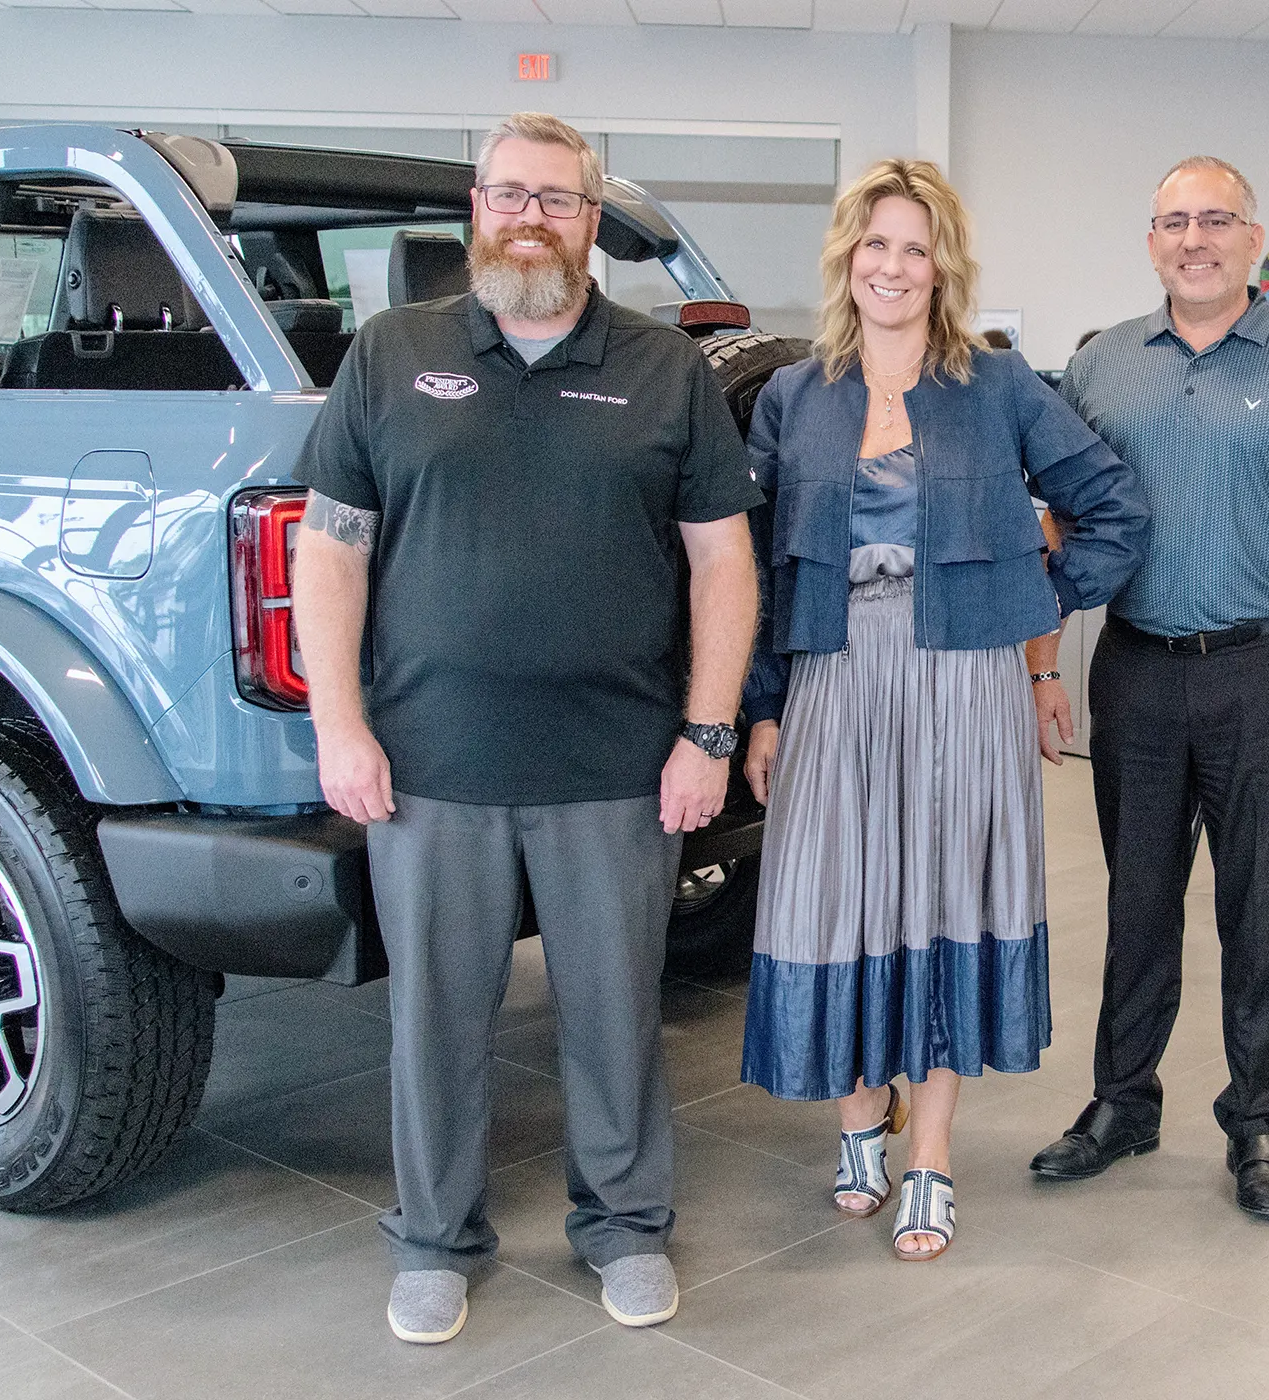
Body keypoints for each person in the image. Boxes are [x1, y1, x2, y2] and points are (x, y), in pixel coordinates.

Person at [292, 111, 765, 1343]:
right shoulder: (392, 355)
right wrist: (339, 724)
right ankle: (434, 1239)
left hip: (616, 764)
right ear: (475, 209)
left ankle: (622, 1223)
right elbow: (330, 554)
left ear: (591, 219)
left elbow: (724, 566)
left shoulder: (663, 369)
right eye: (511, 195)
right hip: (429, 765)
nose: (532, 218)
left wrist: (706, 734)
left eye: (557, 199)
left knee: (616, 1014)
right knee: (437, 1020)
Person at [737, 158, 1148, 1261]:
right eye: (876, 244)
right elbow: (758, 571)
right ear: (846, 257)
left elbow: (1112, 507)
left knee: (946, 895)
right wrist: (763, 705)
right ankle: (858, 1118)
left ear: (943, 266)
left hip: (964, 677)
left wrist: (1028, 598)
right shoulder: (794, 395)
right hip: (834, 672)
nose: (893, 266)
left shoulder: (999, 386)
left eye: (915, 248)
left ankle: (931, 1148)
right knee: (840, 896)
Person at [1028, 155, 1269, 1220]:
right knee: (1136, 900)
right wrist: (1045, 663)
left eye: (1215, 220)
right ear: (1152, 240)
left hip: (1268, 674)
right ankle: (1122, 1100)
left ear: (1251, 236)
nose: (1195, 238)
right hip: (1135, 667)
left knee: (1258, 907)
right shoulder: (1099, 366)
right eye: (1174, 222)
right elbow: (1057, 524)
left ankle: (1258, 1121)